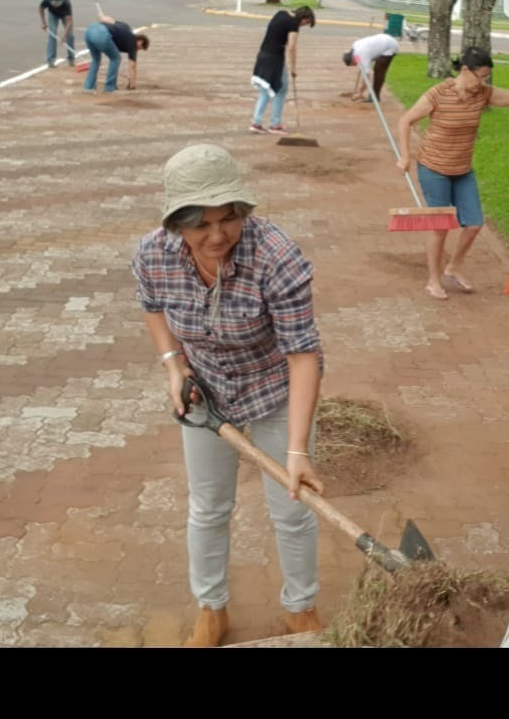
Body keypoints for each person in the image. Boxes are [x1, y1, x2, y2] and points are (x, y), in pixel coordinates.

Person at [131, 142, 324, 647]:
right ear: (176, 223)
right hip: (208, 398)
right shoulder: (153, 255)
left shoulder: (276, 256)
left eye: (228, 219)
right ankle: (211, 609)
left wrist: (298, 451)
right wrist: (174, 366)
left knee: (293, 507)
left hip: (272, 392)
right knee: (209, 507)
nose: (218, 236)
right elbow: (152, 306)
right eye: (201, 225)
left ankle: (300, 608)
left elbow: (303, 354)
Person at [396, 47, 509, 300]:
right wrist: (405, 157)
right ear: (465, 70)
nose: (483, 82)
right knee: (440, 228)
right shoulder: (438, 93)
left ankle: (453, 267)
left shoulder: (482, 94)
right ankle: (433, 280)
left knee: (474, 224)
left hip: (462, 170)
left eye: (486, 78)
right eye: (480, 76)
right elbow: (405, 121)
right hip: (433, 169)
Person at [250, 6, 316, 134]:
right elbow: (292, 47)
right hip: (274, 59)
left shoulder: (280, 13)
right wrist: (293, 68)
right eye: (306, 23)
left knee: (265, 90)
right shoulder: (293, 24)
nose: (304, 25)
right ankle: (275, 124)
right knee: (282, 89)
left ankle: (256, 123)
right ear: (304, 18)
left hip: (263, 54)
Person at [83, 11, 149, 93]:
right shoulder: (132, 42)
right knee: (116, 58)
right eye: (140, 48)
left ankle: (88, 87)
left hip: (89, 30)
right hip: (101, 33)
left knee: (96, 60)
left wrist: (102, 17)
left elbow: (108, 19)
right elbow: (132, 65)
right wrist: (132, 84)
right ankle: (110, 87)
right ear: (140, 42)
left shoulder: (125, 27)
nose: (138, 50)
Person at [342, 32, 399, 102]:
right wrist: (361, 67)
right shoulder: (355, 46)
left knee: (378, 70)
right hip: (383, 41)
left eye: (354, 64)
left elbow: (366, 77)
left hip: (390, 46)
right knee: (376, 68)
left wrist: (360, 92)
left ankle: (375, 96)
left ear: (352, 59)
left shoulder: (362, 56)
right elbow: (361, 65)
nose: (356, 65)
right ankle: (373, 95)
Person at [38, 0, 75, 68]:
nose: (56, 6)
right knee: (53, 34)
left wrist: (64, 36)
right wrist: (43, 23)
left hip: (64, 15)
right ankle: (51, 60)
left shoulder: (66, 3)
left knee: (70, 35)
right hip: (53, 15)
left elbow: (69, 21)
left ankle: (71, 59)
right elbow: (41, 8)